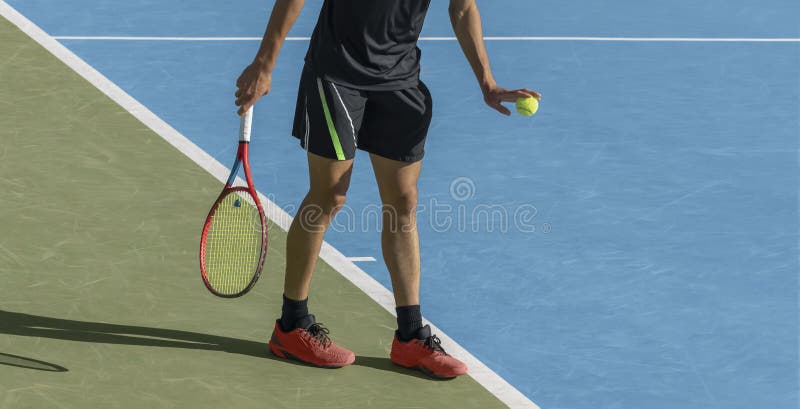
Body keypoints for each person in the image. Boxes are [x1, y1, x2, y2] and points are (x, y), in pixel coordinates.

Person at [234, 0, 540, 379]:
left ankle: (410, 337)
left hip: (400, 78)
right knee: (329, 196)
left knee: (403, 201)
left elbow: (462, 7)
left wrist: (486, 81)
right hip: (336, 73)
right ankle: (291, 326)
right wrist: (265, 62)